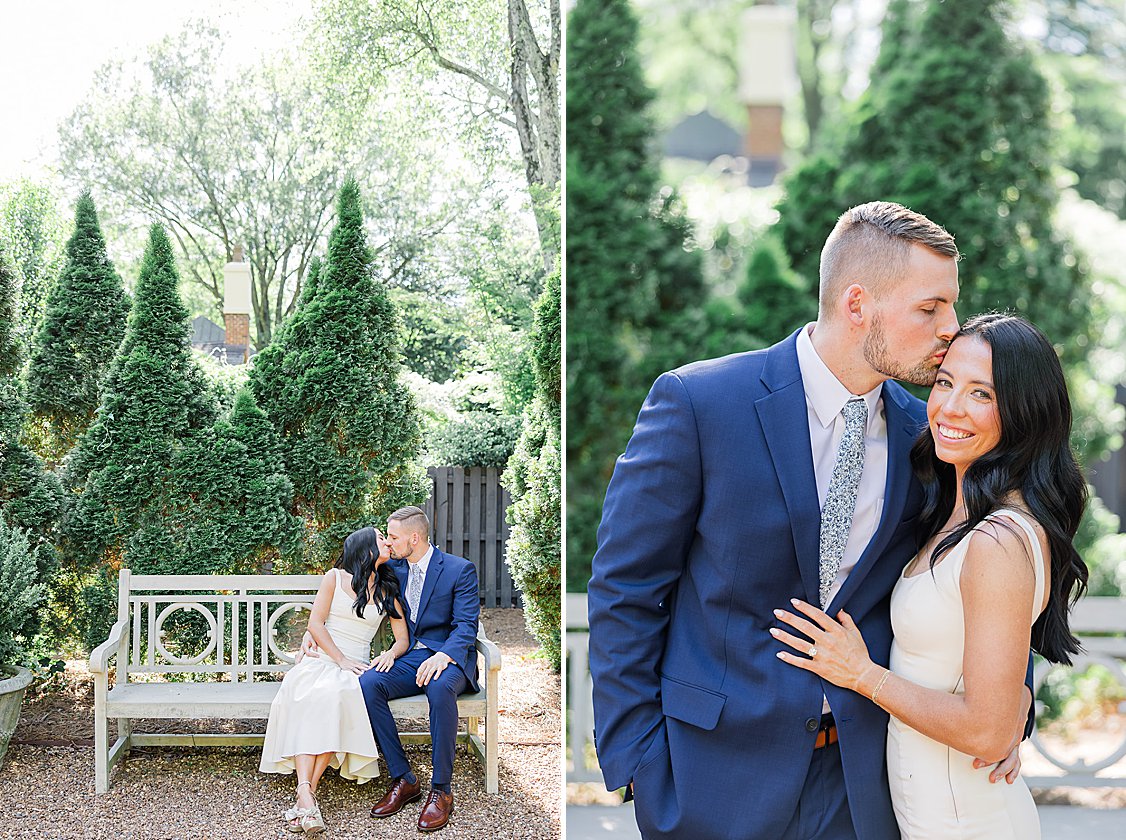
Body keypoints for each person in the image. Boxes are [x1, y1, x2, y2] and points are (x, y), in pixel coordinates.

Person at [587, 201, 1032, 840]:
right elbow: (626, 590)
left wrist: (1012, 701)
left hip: (862, 786)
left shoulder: (927, 436)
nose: (950, 329)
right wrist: (637, 761)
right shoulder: (700, 404)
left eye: (951, 306)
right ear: (858, 305)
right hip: (708, 778)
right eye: (930, 308)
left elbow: (981, 564)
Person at [773, 312, 1088, 839]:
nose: (949, 407)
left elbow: (988, 733)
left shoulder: (998, 541)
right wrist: (1016, 696)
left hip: (966, 821)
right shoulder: (958, 512)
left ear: (1025, 412)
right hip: (932, 814)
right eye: (945, 383)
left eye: (981, 394)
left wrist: (861, 674)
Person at [301, 506, 481, 833]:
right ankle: (404, 778)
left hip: (449, 658)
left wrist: (445, 656)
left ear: (415, 537)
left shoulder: (459, 569)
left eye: (394, 536)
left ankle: (441, 790)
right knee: (369, 683)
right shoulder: (392, 568)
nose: (390, 542)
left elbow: (467, 626)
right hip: (411, 657)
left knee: (440, 689)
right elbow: (347, 591)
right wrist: (309, 634)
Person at [260, 526, 409, 834]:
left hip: (356, 665)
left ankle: (305, 797)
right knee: (307, 696)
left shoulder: (386, 589)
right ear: (367, 549)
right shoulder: (334, 577)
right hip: (324, 658)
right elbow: (316, 623)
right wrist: (337, 658)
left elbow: (402, 639)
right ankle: (306, 793)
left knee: (337, 698)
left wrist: (390, 655)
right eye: (382, 538)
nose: (388, 543)